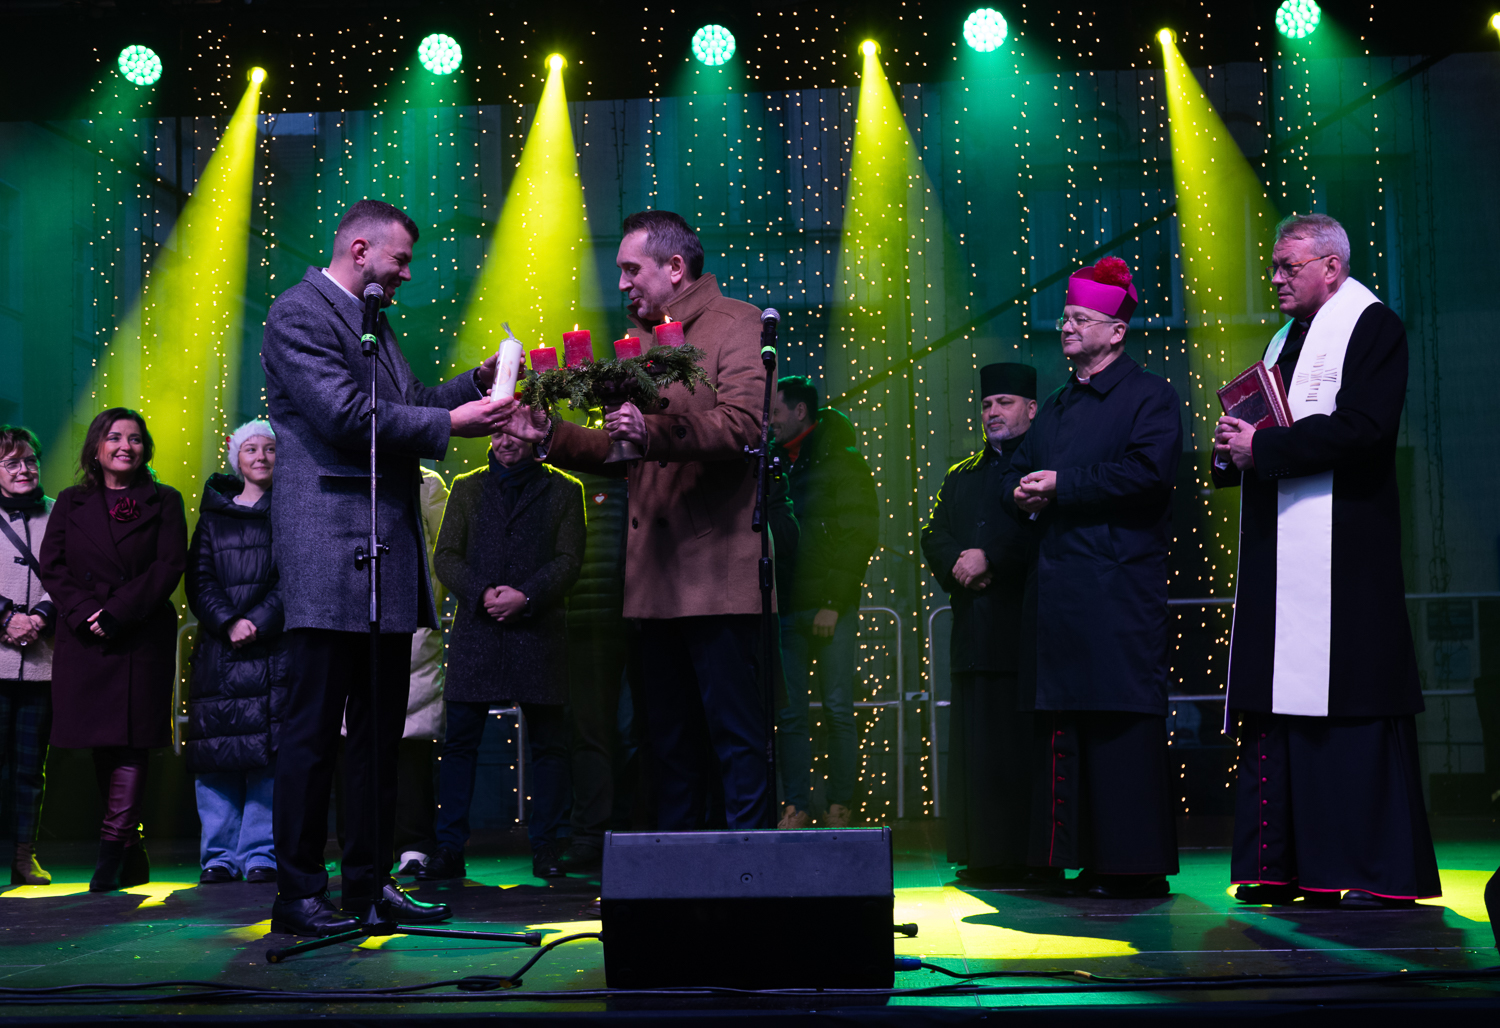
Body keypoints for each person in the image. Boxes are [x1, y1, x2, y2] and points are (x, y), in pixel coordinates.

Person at [260, 198, 508, 937]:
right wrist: (450, 423)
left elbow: (408, 405)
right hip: (329, 548)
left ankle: (369, 887)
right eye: (400, 260)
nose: (406, 274)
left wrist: (473, 385)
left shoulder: (372, 320)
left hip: (382, 551)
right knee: (312, 733)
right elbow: (345, 415)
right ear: (361, 250)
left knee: (378, 735)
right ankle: (299, 895)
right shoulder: (298, 312)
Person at [500, 210, 773, 831]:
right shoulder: (640, 345)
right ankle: (676, 873)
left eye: (631, 269)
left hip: (716, 580)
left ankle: (749, 872)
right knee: (665, 745)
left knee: (735, 739)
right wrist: (551, 435)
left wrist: (652, 431)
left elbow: (747, 425)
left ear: (675, 267)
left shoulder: (737, 323)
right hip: (654, 583)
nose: (621, 283)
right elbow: (620, 451)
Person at [1213, 213, 1440, 908]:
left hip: (1346, 552)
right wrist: (1233, 447)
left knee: (1352, 706)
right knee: (1277, 709)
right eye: (1274, 267)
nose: (1276, 278)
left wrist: (1264, 449)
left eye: (1289, 266)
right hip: (1281, 550)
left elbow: (1366, 429)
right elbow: (1273, 427)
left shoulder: (1373, 327)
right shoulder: (1285, 339)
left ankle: (1369, 870)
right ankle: (1284, 865)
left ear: (1332, 268)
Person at [1002, 257, 1183, 899]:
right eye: (1065, 318)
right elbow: (1018, 467)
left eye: (1081, 318)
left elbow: (1148, 474)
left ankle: (1131, 864)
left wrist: (1063, 485)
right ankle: (1066, 856)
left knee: (1117, 724)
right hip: (1057, 591)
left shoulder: (1151, 395)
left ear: (1117, 331)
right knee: (1064, 726)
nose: (1067, 327)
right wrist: (1019, 493)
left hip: (1116, 589)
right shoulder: (1055, 406)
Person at [38, 408, 187, 892]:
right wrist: (85, 612)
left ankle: (110, 851)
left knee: (130, 741)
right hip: (85, 636)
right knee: (103, 744)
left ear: (146, 449)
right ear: (96, 447)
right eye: (115, 437)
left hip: (139, 635)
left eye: (136, 438)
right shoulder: (70, 501)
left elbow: (169, 565)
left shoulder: (165, 499)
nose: (126, 445)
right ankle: (130, 846)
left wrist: (118, 612)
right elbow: (52, 564)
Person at [425, 431, 584, 880]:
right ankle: (449, 849)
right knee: (460, 745)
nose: (505, 441)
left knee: (549, 746)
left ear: (534, 435)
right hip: (478, 633)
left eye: (514, 432)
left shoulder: (565, 489)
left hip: (538, 635)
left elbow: (569, 560)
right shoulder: (466, 487)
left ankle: (547, 846)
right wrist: (483, 594)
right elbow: (445, 556)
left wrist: (526, 596)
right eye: (498, 433)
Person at [921, 363, 1043, 885]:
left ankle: (1029, 859)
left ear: (1031, 408)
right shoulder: (962, 474)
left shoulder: (1043, 469)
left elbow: (1042, 534)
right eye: (988, 403)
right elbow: (933, 535)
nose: (993, 412)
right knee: (979, 750)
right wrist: (961, 565)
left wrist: (988, 558)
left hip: (1025, 630)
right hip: (974, 629)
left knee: (1021, 750)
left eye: (1005, 402)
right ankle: (986, 856)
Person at [768, 377, 877, 829]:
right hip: (787, 606)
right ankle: (797, 804)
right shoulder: (772, 464)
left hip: (830, 605)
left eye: (776, 411)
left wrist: (833, 600)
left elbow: (859, 534)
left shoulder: (843, 461)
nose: (770, 420)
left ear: (800, 411)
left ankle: (839, 805)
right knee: (791, 713)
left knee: (836, 708)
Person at [185, 420, 286, 886]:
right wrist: (228, 621)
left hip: (273, 652)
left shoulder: (292, 511)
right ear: (236, 458)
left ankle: (261, 853)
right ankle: (219, 855)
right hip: (220, 652)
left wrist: (258, 621)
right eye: (251, 448)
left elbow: (293, 578)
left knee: (268, 757)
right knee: (216, 754)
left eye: (270, 448)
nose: (261, 456)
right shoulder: (212, 516)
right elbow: (199, 579)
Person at [558, 470, 630, 872]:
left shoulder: (647, 473)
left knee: (609, 733)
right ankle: (594, 833)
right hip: (588, 621)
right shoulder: (569, 481)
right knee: (592, 732)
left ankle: (617, 829)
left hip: (641, 618)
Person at [0, 426, 56, 885]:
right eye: (12, 463)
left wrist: (39, 616)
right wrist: (5, 617)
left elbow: (75, 575)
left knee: (30, 767)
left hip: (42, 663)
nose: (24, 469)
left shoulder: (59, 513)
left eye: (30, 460)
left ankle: (24, 856)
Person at [394, 466, 450, 876]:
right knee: (356, 742)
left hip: (412, 626)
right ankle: (367, 842)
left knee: (411, 739)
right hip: (359, 622)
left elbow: (442, 553)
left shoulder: (427, 482)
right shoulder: (353, 471)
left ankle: (414, 842)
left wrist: (427, 606)